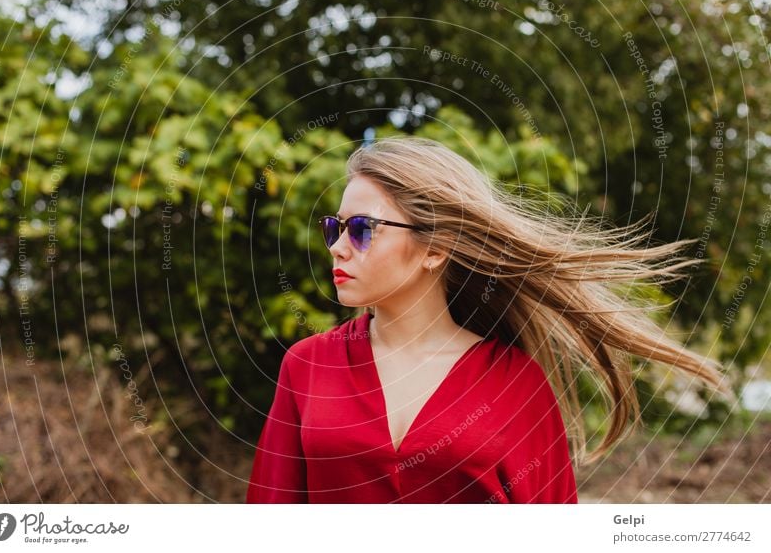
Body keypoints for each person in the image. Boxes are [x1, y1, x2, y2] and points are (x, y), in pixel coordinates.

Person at [246, 136, 729, 504]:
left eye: (361, 229)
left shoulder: (516, 384)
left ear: (435, 247)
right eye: (335, 226)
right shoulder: (308, 367)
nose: (336, 246)